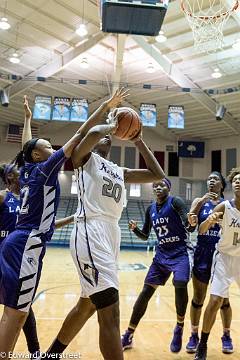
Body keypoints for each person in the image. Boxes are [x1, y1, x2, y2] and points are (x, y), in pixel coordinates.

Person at [0, 89, 127, 358]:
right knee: (15, 314)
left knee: (18, 312)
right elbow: (81, 133)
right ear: (38, 156)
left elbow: (27, 147)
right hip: (27, 243)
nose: (53, 147)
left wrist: (27, 120)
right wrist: (105, 107)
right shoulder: (45, 169)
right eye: (47, 145)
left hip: (22, 241)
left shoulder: (28, 170)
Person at [46, 111, 165, 360]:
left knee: (87, 304)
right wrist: (113, 124)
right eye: (106, 133)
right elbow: (92, 134)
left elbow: (157, 174)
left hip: (111, 234)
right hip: (91, 230)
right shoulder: (83, 158)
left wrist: (138, 140)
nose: (107, 136)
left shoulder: (118, 170)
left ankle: (51, 355)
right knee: (111, 310)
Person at [121, 180, 196, 353]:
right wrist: (135, 229)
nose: (157, 187)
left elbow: (188, 225)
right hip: (162, 255)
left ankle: (179, 328)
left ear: (168, 187)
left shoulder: (175, 202)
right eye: (155, 185)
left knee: (180, 282)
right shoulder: (151, 209)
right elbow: (145, 235)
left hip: (181, 252)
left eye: (162, 184)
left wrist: (191, 223)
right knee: (145, 292)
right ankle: (129, 334)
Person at [194, 167, 240, 360]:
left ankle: (226, 334)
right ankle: (202, 344)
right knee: (214, 301)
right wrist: (209, 220)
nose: (238, 182)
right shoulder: (224, 207)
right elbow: (202, 230)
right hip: (223, 258)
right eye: (236, 180)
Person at [186, 171, 233, 354]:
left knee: (223, 300)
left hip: (222, 253)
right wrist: (196, 208)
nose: (211, 181)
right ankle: (194, 334)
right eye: (209, 179)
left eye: (215, 179)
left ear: (221, 184)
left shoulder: (228, 205)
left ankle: (226, 335)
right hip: (203, 253)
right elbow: (190, 227)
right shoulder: (199, 201)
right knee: (198, 298)